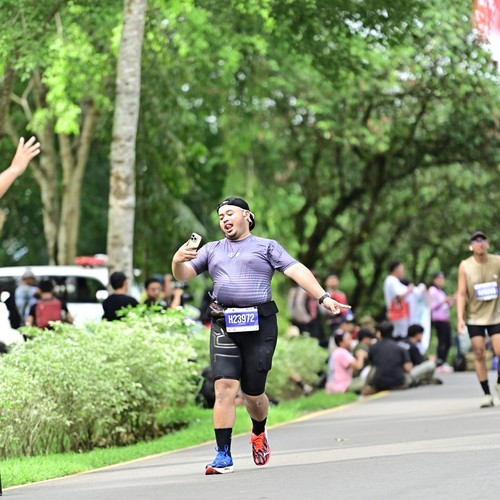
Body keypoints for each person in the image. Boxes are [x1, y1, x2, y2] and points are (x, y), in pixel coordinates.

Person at [171, 196, 350, 475]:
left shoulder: (267, 247)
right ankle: (223, 454)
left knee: (253, 394)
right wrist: (177, 260)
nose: (225, 219)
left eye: (230, 213)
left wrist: (323, 297)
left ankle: (258, 430)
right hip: (224, 323)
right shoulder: (211, 249)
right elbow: (183, 275)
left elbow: (297, 270)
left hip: (260, 324)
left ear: (247, 215)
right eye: (221, 216)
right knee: (224, 388)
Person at [456, 230, 500, 408]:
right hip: (475, 316)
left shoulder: (497, 262)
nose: (480, 243)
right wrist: (460, 318)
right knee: (479, 353)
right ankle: (486, 393)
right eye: (476, 241)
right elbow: (461, 293)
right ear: (471, 246)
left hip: (496, 314)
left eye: (483, 240)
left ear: (487, 244)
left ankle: (499, 381)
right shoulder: (465, 266)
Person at [362, 321, 412, 395]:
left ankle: (367, 387)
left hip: (379, 383)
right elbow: (408, 368)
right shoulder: (400, 347)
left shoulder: (373, 347)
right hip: (399, 383)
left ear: (380, 333)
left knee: (373, 367)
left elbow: (372, 364)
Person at [428, 271, 455, 372]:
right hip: (438, 319)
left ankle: (443, 361)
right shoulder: (432, 290)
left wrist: (452, 300)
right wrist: (444, 300)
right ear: (434, 280)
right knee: (442, 341)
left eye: (442, 278)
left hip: (445, 318)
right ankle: (440, 363)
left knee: (448, 341)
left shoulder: (441, 292)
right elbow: (431, 306)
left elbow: (446, 306)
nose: (441, 281)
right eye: (439, 278)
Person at [383, 261, 414, 339]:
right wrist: (409, 290)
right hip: (398, 313)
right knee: (399, 336)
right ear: (396, 269)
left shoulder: (394, 280)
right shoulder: (391, 280)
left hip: (400, 314)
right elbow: (399, 297)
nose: (403, 271)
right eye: (401, 268)